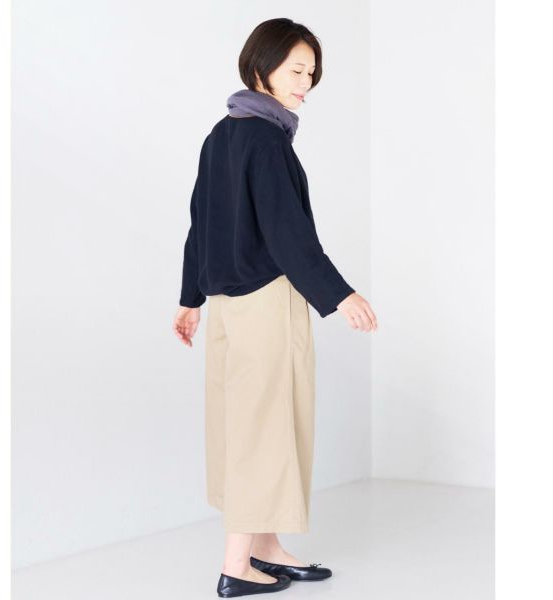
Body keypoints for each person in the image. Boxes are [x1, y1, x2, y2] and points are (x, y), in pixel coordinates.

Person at [172, 17, 378, 598]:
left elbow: (201, 223)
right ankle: (236, 567)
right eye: (296, 71)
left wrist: (190, 299)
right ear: (261, 67)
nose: (305, 84)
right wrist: (339, 294)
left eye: (311, 74)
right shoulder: (266, 140)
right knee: (264, 429)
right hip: (266, 303)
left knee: (245, 423)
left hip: (226, 307)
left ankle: (266, 549)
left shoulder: (222, 134)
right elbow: (288, 234)